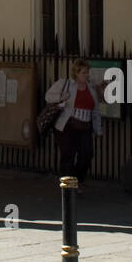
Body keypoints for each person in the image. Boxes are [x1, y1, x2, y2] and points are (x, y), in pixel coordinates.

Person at [45, 58, 103, 192]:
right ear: (76, 73)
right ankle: (69, 188)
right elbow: (48, 96)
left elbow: (95, 110)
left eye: (87, 72)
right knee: (68, 155)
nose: (86, 75)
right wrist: (61, 96)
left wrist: (98, 130)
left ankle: (77, 180)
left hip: (85, 126)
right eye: (83, 72)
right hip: (67, 126)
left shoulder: (91, 87)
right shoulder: (65, 84)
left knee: (87, 155)